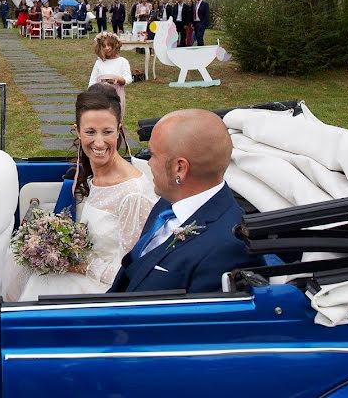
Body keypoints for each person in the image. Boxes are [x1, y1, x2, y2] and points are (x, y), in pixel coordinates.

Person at [4, 84, 158, 300]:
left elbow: (129, 273)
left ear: (119, 130)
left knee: (41, 284)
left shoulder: (133, 195)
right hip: (83, 273)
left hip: (106, 291)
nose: (98, 142)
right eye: (90, 132)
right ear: (77, 131)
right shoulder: (93, 177)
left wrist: (75, 265)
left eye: (107, 132)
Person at [109, 109, 261, 294]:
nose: (149, 163)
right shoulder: (167, 204)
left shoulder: (228, 249)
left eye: (153, 155)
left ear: (179, 168)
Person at [88, 31, 133, 115]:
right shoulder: (99, 63)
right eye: (104, 46)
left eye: (109, 45)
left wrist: (121, 80)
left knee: (115, 116)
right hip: (100, 95)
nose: (107, 48)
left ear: (115, 45)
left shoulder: (122, 61)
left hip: (116, 95)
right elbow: (92, 80)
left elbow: (128, 78)